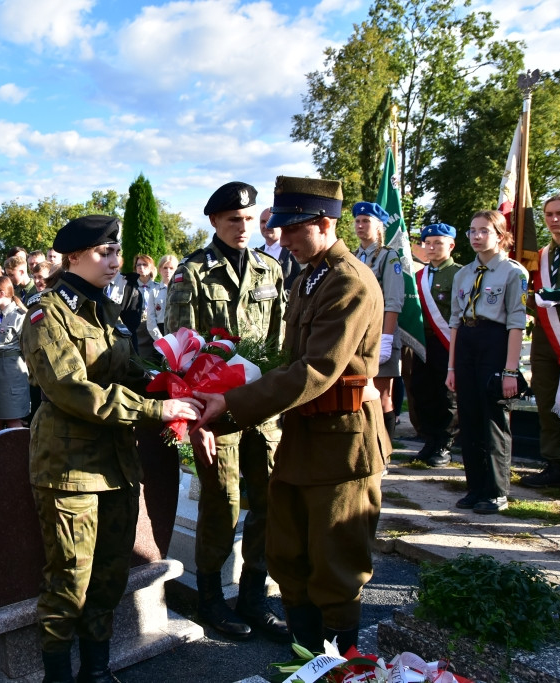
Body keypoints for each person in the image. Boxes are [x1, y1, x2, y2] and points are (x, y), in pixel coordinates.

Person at [193, 176, 388, 654]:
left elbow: (318, 368)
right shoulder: (311, 275)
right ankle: (304, 657)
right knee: (290, 554)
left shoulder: (348, 280)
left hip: (342, 444)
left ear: (323, 223)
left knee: (335, 560)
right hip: (301, 434)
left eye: (292, 229)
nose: (280, 238)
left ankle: (341, 663)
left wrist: (233, 406)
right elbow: (287, 360)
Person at [21, 215, 201, 683]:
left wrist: (173, 386)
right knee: (69, 583)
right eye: (104, 252)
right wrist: (156, 411)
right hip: (70, 468)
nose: (115, 261)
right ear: (73, 257)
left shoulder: (109, 313)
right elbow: (71, 389)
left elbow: (129, 372)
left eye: (117, 251)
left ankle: (96, 672)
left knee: (108, 578)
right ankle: (58, 676)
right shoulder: (47, 313)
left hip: (117, 465)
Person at [165, 181, 287, 642]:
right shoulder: (192, 273)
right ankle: (212, 598)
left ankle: (254, 595)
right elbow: (183, 350)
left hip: (263, 409)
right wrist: (196, 418)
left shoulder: (269, 270)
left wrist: (276, 400)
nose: (243, 226)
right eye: (233, 219)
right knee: (221, 503)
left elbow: (279, 345)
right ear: (214, 221)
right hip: (216, 408)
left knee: (268, 501)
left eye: (250, 218)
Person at [446, 210, 528, 514]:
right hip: (467, 342)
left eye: (484, 231)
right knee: (468, 417)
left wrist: (510, 370)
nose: (476, 237)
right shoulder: (463, 274)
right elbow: (455, 321)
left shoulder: (513, 272)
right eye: (472, 230)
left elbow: (516, 324)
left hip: (495, 343)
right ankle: (475, 486)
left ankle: (496, 491)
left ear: (500, 234)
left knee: (493, 418)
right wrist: (452, 367)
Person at [523, 193, 560, 494]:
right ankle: (553, 464)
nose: (554, 220)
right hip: (545, 334)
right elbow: (528, 295)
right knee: (545, 398)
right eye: (549, 214)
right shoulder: (540, 255)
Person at [353, 202, 405, 440]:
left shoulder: (388, 257)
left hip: (381, 334)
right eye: (357, 221)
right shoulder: (353, 257)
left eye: (366, 221)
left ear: (378, 226)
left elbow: (393, 301)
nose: (360, 226)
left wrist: (386, 338)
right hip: (357, 335)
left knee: (382, 396)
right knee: (359, 395)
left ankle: (386, 451)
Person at [412, 223, 462, 466]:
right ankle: (430, 439)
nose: (431, 248)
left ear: (451, 245)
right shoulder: (417, 276)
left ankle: (445, 443)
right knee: (423, 391)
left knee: (447, 395)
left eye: (437, 243)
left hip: (447, 342)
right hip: (423, 342)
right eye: (427, 243)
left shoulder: (460, 274)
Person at [0, 276, 30, 433]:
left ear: (1, 293)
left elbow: (28, 346)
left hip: (11, 374)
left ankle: (17, 456)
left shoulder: (20, 316)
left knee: (13, 419)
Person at [258, 207, 302, 292]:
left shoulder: (293, 251)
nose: (266, 225)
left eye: (270, 221)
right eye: (263, 222)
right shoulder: (255, 254)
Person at [133, 254, 165, 359]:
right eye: (138, 265)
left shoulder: (158, 288)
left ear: (151, 267)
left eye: (145, 264)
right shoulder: (130, 288)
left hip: (157, 329)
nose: (141, 267)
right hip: (139, 331)